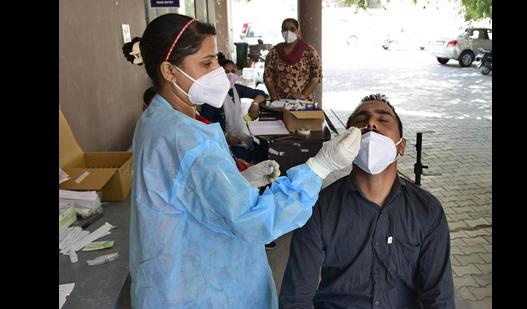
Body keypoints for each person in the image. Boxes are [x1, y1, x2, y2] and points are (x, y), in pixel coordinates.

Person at [130, 13, 362, 308]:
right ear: (169, 70)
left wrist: (236, 181)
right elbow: (254, 220)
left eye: (217, 60)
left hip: (168, 281)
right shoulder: (187, 140)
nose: (217, 71)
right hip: (201, 291)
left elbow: (184, 192)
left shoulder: (157, 118)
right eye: (206, 63)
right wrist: (320, 167)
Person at [279, 94, 455, 309]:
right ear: (346, 142)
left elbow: (439, 298)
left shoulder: (427, 210)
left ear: (401, 146)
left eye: (383, 120)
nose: (371, 123)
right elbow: (296, 299)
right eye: (361, 121)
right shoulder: (318, 208)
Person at [201, 55, 266, 163]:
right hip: (221, 142)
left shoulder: (236, 89)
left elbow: (261, 94)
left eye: (233, 71)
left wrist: (255, 104)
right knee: (249, 157)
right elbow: (206, 123)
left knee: (263, 150)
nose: (230, 74)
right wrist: (225, 136)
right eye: (226, 72)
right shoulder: (212, 95)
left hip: (237, 137)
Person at [263, 18, 322, 102]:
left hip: (303, 103)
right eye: (285, 29)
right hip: (280, 103)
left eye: (292, 29)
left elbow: (316, 76)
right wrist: (274, 97)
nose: (288, 32)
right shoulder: (274, 52)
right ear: (281, 31)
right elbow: (267, 77)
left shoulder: (309, 51)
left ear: (298, 31)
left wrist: (303, 95)